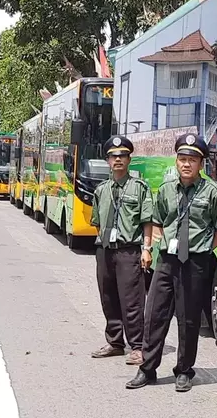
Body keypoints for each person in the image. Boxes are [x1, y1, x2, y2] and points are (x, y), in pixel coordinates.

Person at [126, 133, 217, 393]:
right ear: (176, 161)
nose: (186, 164)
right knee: (155, 315)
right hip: (167, 261)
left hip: (195, 262)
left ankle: (184, 371)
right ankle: (147, 369)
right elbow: (158, 221)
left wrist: (202, 249)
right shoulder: (166, 190)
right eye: (182, 159)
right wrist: (157, 246)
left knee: (188, 319)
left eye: (192, 160)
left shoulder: (214, 192)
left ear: (201, 164)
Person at [89, 135, 153, 366]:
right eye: (114, 156)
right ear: (107, 160)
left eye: (122, 156)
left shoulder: (139, 188)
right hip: (105, 250)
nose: (118, 160)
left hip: (129, 250)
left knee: (132, 301)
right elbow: (96, 220)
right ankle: (115, 342)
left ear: (129, 160)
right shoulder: (102, 189)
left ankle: (137, 346)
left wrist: (146, 249)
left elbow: (147, 221)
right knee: (108, 297)